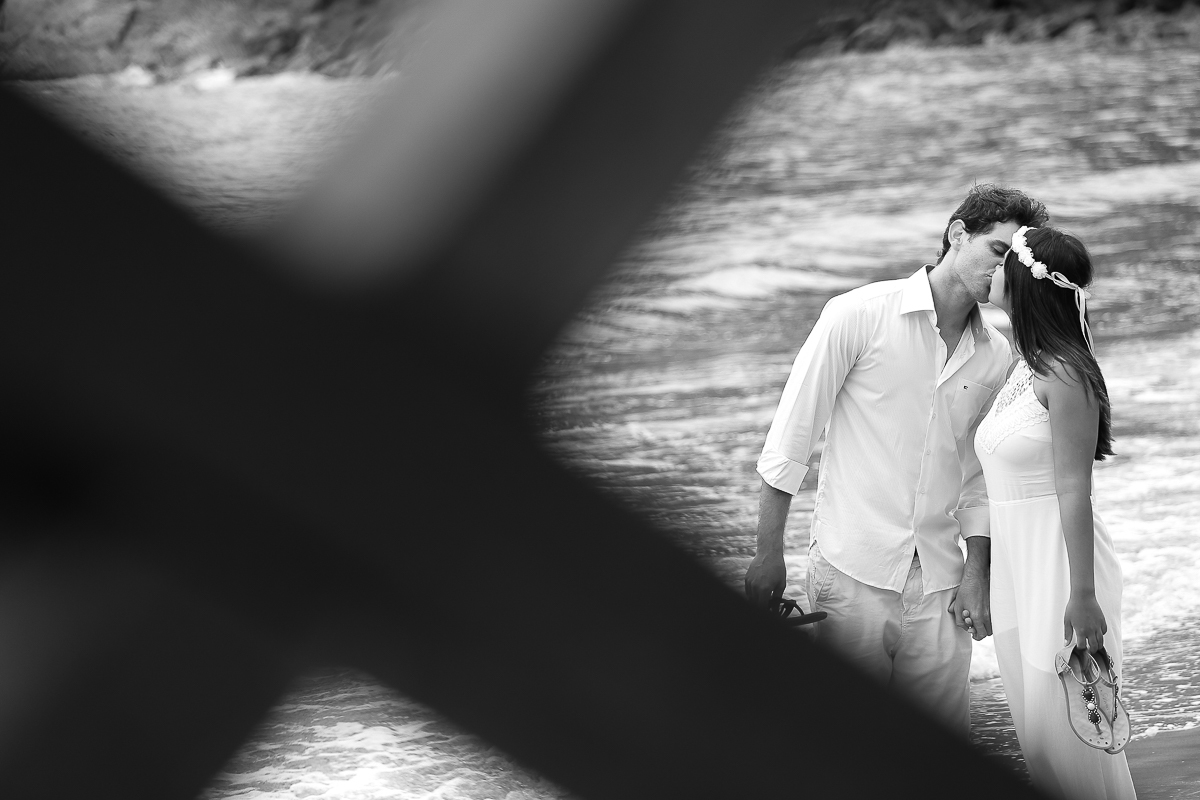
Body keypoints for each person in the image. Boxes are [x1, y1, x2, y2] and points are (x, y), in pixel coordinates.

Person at [744, 184, 1049, 735]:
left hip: (940, 582)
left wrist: (977, 571)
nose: (1001, 271)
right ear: (958, 234)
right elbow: (792, 438)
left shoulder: (996, 355)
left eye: (1013, 262)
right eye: (997, 252)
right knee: (842, 748)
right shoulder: (857, 314)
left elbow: (979, 477)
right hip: (850, 572)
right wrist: (768, 553)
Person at [979, 225, 1136, 798]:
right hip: (1016, 568)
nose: (993, 272)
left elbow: (1075, 488)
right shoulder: (1027, 365)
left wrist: (1084, 595)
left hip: (1061, 565)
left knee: (1075, 737)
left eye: (1003, 263)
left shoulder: (1066, 372)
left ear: (1023, 283)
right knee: (1039, 740)